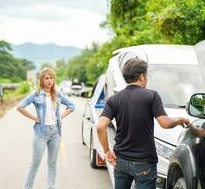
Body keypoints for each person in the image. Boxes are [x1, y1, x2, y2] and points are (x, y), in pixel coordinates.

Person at [97, 58, 189, 189]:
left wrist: (107, 151)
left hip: (121, 159)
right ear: (141, 76)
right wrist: (179, 119)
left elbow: (100, 126)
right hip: (144, 162)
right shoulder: (151, 96)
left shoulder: (114, 99)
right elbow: (165, 123)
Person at [17, 68, 75, 189]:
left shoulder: (57, 94)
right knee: (35, 164)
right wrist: (35, 118)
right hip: (41, 133)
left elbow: (71, 106)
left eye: (51, 78)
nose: (49, 81)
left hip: (55, 132)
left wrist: (60, 117)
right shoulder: (36, 94)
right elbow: (20, 107)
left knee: (52, 164)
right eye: (46, 78)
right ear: (42, 80)